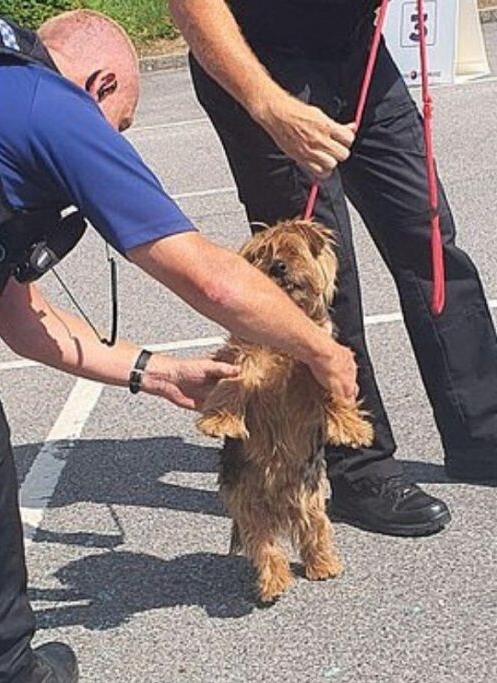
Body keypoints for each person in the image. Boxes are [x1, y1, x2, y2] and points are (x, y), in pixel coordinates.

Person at [0, 11, 360, 682]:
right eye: (124, 123)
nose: (116, 140)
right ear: (101, 84)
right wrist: (323, 349)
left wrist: (153, 373)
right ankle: (10, 666)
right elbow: (209, 275)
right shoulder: (59, 112)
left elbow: (20, 319)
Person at [170, 0, 497, 536]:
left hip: (354, 49)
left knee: (430, 237)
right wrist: (268, 106)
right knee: (318, 281)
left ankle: (481, 432)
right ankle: (359, 465)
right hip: (264, 68)